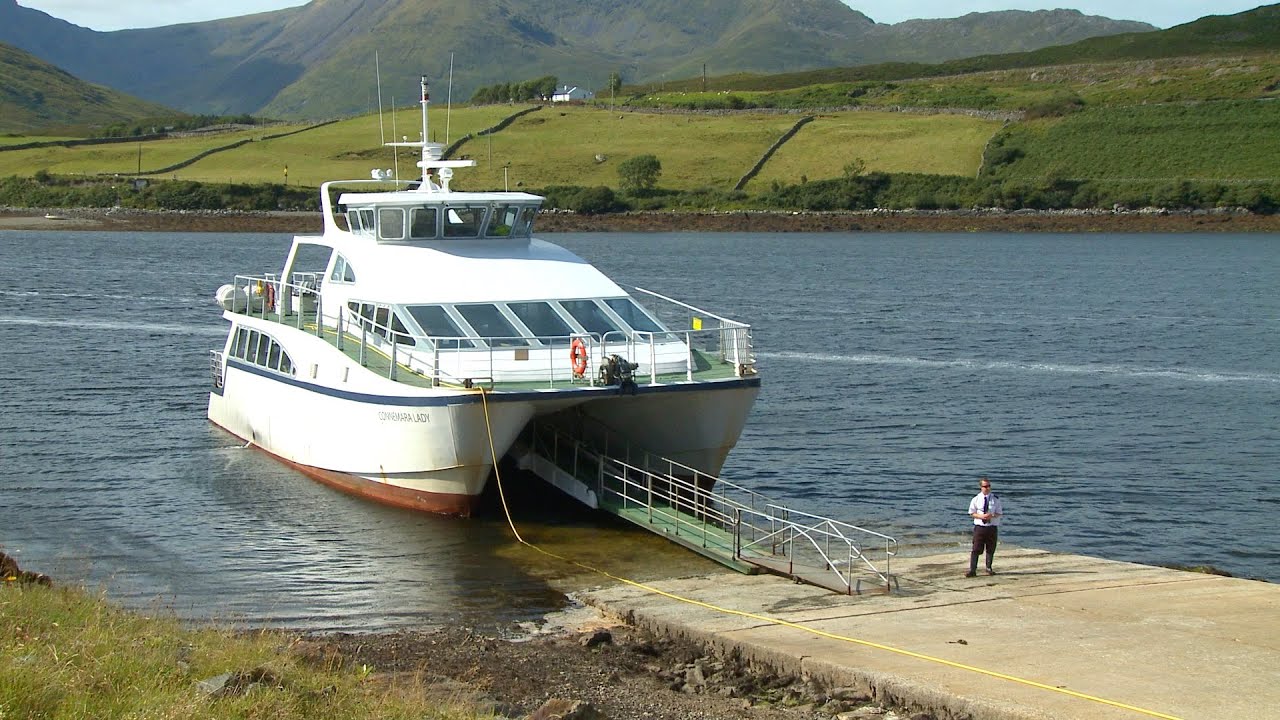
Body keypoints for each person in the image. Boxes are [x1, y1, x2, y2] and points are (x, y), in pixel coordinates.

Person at [966, 476, 1003, 577]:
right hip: (980, 527)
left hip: (991, 526)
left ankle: (989, 567)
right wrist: (981, 516)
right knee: (976, 548)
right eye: (985, 486)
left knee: (991, 548)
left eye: (989, 486)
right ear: (981, 487)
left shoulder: (995, 499)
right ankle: (972, 570)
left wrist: (991, 515)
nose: (987, 488)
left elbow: (999, 513)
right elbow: (971, 513)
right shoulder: (976, 499)